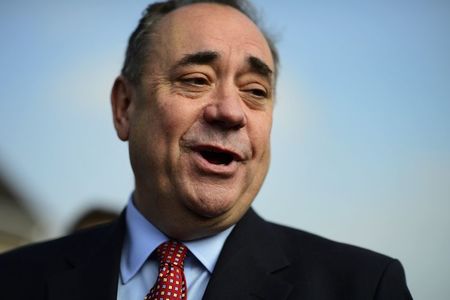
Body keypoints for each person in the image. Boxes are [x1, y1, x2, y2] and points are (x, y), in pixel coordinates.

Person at [0, 0, 413, 299]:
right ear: (125, 107)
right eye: (196, 80)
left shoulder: (363, 286)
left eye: (255, 91)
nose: (231, 112)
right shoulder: (15, 280)